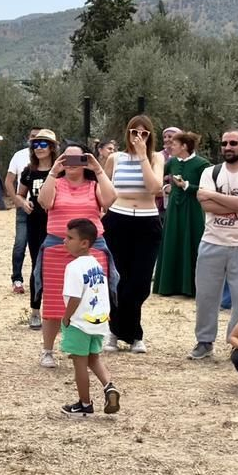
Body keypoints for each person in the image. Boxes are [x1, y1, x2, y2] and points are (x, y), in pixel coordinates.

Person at [36, 143, 116, 370]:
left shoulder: (93, 185)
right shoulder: (56, 183)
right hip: (57, 248)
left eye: (77, 159)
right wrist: (53, 171)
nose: (71, 164)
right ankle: (48, 350)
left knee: (92, 299)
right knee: (53, 301)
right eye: (66, 159)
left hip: (93, 250)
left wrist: (98, 169)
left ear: (85, 161)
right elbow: (44, 201)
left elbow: (110, 199)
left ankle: (90, 349)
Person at [188, 131, 238, 361]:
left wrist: (215, 197)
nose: (228, 147)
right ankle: (204, 342)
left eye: (233, 143)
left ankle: (237, 343)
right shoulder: (209, 172)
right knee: (206, 296)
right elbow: (206, 205)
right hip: (212, 242)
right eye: (224, 143)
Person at [100, 115, 164, 352]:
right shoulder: (115, 158)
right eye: (134, 133)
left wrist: (142, 156)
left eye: (144, 133)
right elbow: (103, 186)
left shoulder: (156, 158)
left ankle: (122, 330)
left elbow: (154, 187)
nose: (138, 137)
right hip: (118, 219)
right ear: (127, 133)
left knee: (140, 282)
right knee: (119, 279)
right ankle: (127, 334)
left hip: (147, 222)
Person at [59, 218, 120, 417]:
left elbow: (75, 297)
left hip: (80, 322)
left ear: (84, 243)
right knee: (94, 358)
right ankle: (109, 386)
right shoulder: (96, 264)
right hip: (99, 319)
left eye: (69, 238)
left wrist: (66, 318)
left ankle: (85, 404)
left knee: (80, 363)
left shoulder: (74, 267)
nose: (64, 241)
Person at [8, 130, 56, 325]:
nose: (39, 148)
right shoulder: (29, 171)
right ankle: (35, 310)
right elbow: (20, 193)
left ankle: (55, 311)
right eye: (35, 144)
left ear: (52, 147)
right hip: (35, 222)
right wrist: (22, 203)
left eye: (43, 144)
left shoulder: (60, 171)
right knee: (38, 265)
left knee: (57, 268)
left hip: (56, 222)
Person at [154, 131, 209, 297]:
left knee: (191, 242)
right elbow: (158, 179)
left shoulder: (202, 165)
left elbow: (206, 189)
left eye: (175, 144)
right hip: (173, 211)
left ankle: (190, 287)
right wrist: (165, 188)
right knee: (172, 241)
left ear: (184, 146)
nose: (170, 147)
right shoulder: (171, 163)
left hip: (192, 211)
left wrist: (186, 185)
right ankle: (168, 286)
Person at [5, 128, 42, 295]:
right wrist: (18, 201)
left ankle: (38, 279)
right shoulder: (19, 156)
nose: (36, 142)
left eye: (40, 139)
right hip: (24, 208)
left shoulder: (54, 161)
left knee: (41, 247)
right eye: (33, 137)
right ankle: (17, 278)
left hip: (44, 210)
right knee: (20, 243)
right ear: (29, 138)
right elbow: (9, 181)